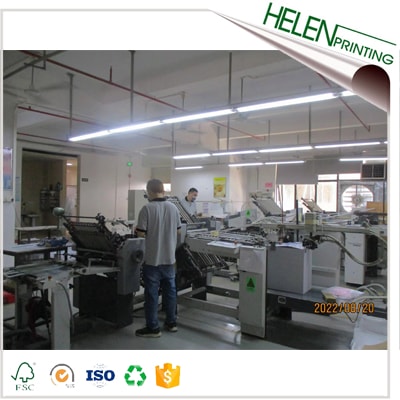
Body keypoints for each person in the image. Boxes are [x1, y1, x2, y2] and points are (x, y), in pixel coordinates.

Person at [135, 179, 181, 338]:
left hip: (152, 259)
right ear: (163, 190)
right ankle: (171, 322)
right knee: (170, 292)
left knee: (152, 294)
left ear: (149, 191)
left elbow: (141, 234)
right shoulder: (173, 208)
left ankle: (153, 328)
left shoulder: (147, 208)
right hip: (169, 259)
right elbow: (179, 231)